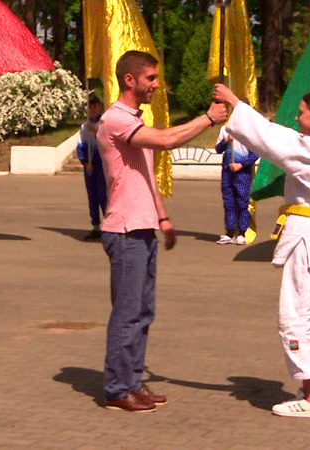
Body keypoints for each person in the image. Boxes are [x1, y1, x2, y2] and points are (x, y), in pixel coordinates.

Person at [96, 50, 228, 413]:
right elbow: (167, 141)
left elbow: (146, 176)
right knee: (126, 314)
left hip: (143, 227)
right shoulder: (115, 119)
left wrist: (163, 218)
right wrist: (208, 118)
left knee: (143, 312)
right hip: (124, 230)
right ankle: (116, 388)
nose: (157, 84)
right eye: (151, 78)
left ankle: (133, 383)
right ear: (130, 80)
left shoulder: (134, 119)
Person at [213, 83, 310, 419]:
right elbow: (281, 136)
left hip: (308, 238)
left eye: (301, 113)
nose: (297, 118)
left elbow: (272, 139)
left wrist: (235, 104)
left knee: (297, 317)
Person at [214, 127, 259, 245]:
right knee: (228, 201)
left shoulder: (249, 130)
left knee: (242, 202)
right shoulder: (225, 129)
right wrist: (226, 140)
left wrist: (241, 164)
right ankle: (230, 232)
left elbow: (255, 154)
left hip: (242, 172)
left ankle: (242, 232)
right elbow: (218, 149)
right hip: (227, 170)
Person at [76, 94, 107, 240]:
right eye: (90, 105)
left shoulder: (104, 123)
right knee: (92, 195)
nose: (93, 108)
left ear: (100, 106)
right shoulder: (84, 126)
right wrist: (85, 162)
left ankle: (110, 226)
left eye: (95, 105)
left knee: (104, 195)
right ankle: (95, 225)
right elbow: (80, 145)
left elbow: (108, 141)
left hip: (103, 163)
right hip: (91, 164)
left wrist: (95, 131)